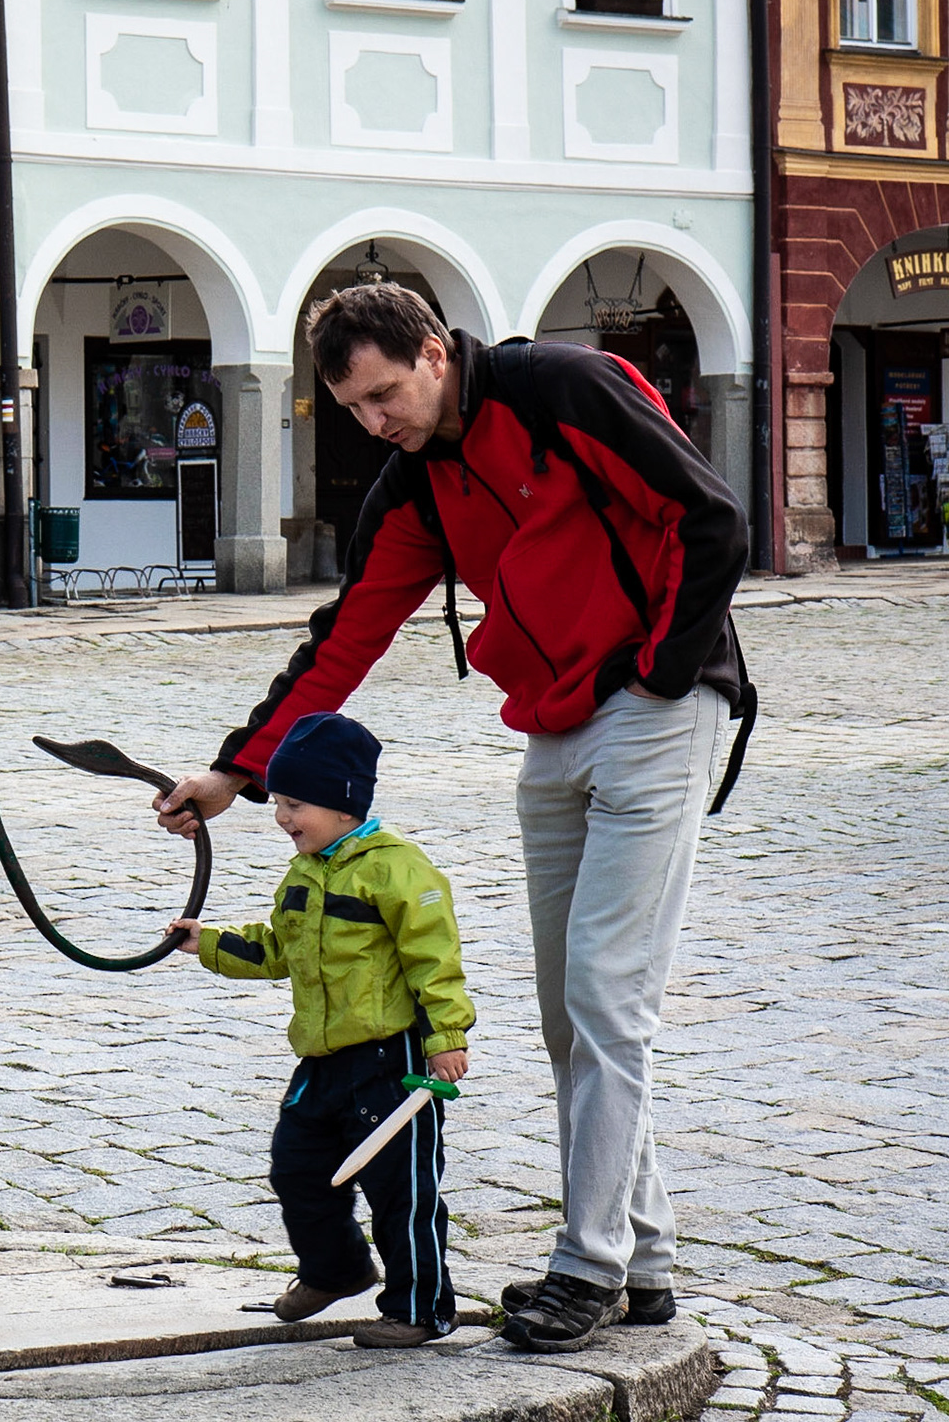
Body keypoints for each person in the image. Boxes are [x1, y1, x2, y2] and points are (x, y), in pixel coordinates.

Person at [155, 283, 753, 1355]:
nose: (377, 420)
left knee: (608, 995)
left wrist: (662, 674)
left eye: (387, 393)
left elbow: (711, 517)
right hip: (555, 721)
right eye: (354, 408)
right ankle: (645, 1259)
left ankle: (590, 1266)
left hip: (658, 708)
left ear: (435, 353)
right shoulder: (416, 486)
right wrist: (234, 774)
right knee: (571, 1006)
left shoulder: (568, 389)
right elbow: (343, 643)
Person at [168, 709, 473, 1349]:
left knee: (402, 1191)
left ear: (342, 803)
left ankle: (420, 1307)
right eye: (277, 802)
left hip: (395, 1064)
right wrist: (210, 943)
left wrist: (448, 1036)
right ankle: (336, 1268)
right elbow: (281, 949)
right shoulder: (304, 871)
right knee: (297, 1167)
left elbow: (435, 960)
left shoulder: (399, 871)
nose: (282, 816)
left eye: (295, 803)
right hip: (322, 1062)